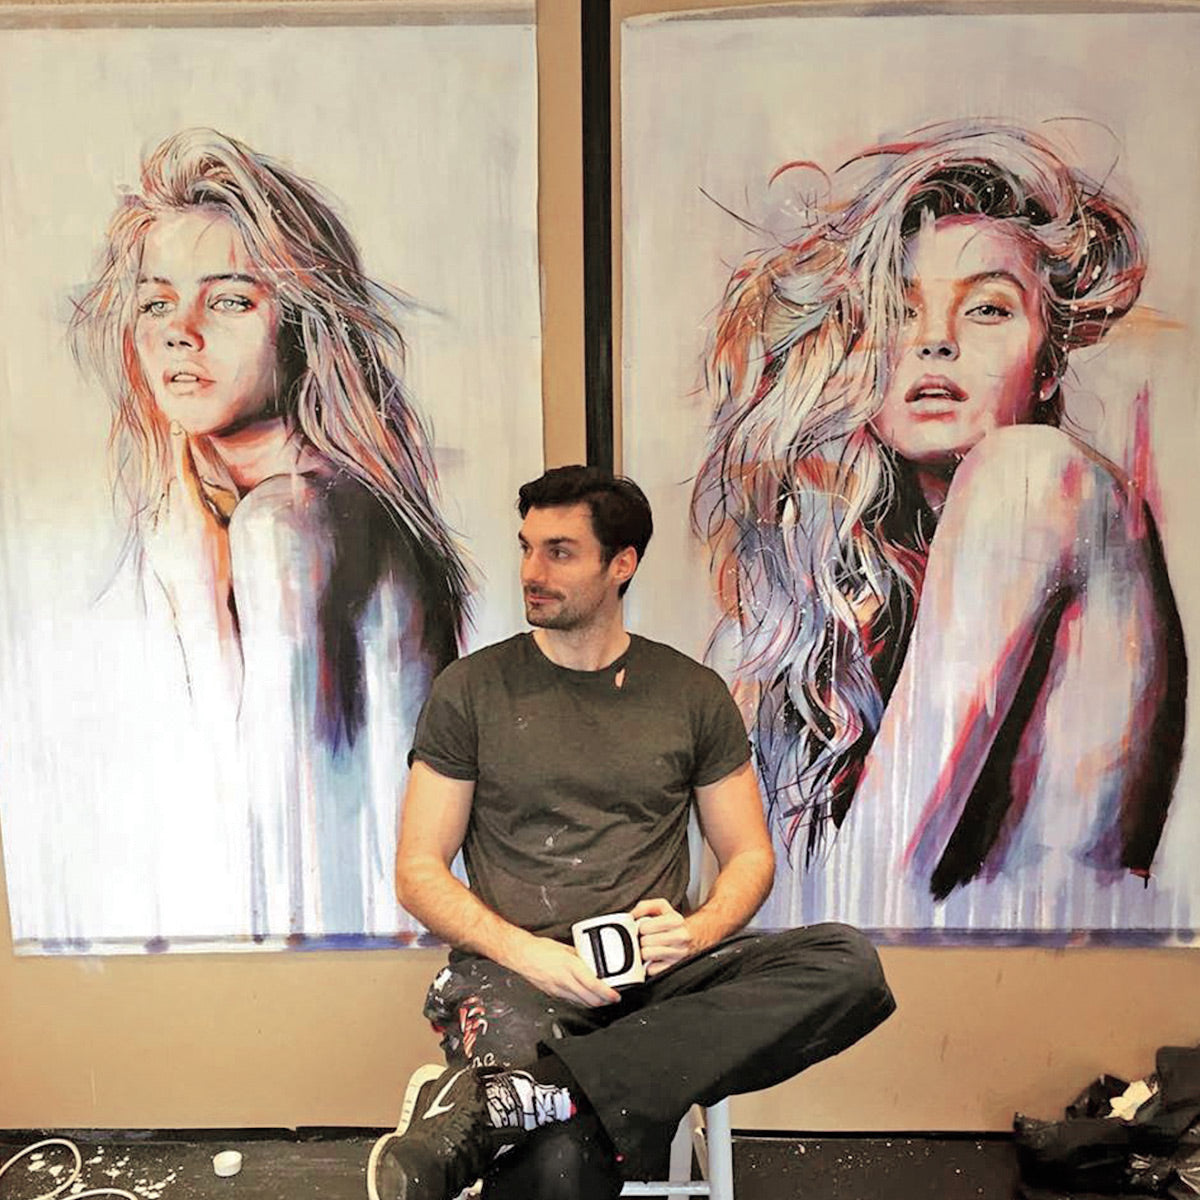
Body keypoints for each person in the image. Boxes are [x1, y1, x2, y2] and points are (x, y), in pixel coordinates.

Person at [693, 120, 1186, 924]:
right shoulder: (820, 604)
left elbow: (859, 904)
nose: (935, 343)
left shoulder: (1036, 474)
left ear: (1049, 359)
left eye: (987, 308)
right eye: (899, 310)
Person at [369, 465, 894, 1200]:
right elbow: (419, 871)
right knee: (557, 1164)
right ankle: (554, 1100)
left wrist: (697, 933)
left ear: (622, 564)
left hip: (659, 976)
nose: (531, 572)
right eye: (527, 547)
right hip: (520, 975)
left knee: (848, 965)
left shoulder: (691, 694)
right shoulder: (470, 691)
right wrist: (530, 954)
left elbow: (748, 854)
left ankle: (529, 1099)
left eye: (559, 552)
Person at [71, 128, 469, 940]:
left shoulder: (287, 525)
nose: (180, 331)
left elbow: (278, 841)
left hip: (316, 949)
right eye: (155, 302)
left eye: (227, 300)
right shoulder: (223, 512)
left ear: (300, 325)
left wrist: (195, 590)